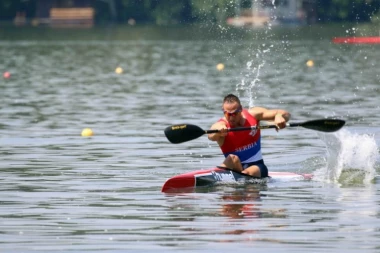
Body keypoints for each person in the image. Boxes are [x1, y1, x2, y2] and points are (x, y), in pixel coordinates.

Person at [208, 94, 290, 178]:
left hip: (257, 167)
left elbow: (286, 114)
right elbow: (211, 135)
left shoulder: (253, 114)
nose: (231, 118)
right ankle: (214, 174)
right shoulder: (221, 125)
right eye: (227, 114)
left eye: (234, 113)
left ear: (240, 109)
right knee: (232, 158)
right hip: (235, 167)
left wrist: (279, 116)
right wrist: (218, 131)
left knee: (246, 173)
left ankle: (238, 177)